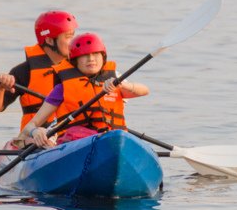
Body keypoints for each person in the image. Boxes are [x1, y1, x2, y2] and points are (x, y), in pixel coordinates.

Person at [19, 32, 149, 148]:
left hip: (112, 140)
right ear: (75, 61)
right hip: (76, 144)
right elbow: (30, 125)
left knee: (117, 137)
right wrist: (35, 131)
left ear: (103, 57)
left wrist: (123, 85)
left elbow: (144, 91)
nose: (91, 59)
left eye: (95, 54)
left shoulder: (115, 80)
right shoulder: (63, 88)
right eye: (85, 55)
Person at [0, 10, 78, 130]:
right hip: (36, 140)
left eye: (73, 36)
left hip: (72, 137)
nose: (74, 42)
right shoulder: (24, 72)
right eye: (68, 37)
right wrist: (0, 87)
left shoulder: (80, 67)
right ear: (49, 40)